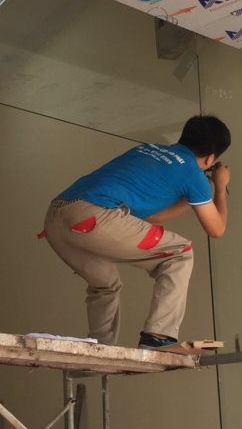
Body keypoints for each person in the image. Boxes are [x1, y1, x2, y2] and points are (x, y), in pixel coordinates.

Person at [43, 115, 231, 348]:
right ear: (211, 158)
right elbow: (217, 229)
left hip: (57, 218)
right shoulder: (193, 174)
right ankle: (158, 337)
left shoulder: (146, 149)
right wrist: (220, 187)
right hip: (94, 217)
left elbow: (153, 217)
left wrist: (194, 197)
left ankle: (100, 348)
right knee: (180, 253)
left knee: (105, 284)